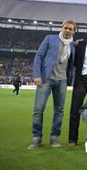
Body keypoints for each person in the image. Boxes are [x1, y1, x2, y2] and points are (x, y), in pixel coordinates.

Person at [28, 20, 76, 149]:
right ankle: (36, 138)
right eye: (66, 28)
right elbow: (38, 56)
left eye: (70, 29)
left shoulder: (72, 45)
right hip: (46, 79)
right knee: (38, 109)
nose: (67, 30)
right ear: (62, 28)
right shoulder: (50, 38)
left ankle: (54, 137)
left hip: (62, 80)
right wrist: (37, 75)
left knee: (59, 111)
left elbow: (71, 63)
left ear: (73, 31)